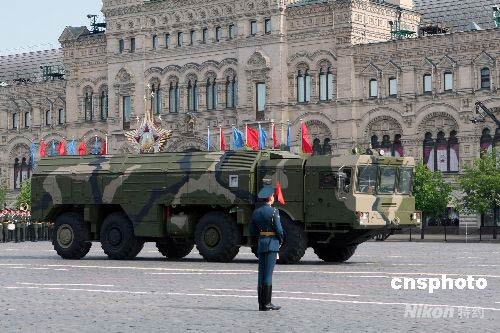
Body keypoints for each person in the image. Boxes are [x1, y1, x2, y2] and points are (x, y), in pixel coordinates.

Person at [251, 185, 284, 311]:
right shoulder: (274, 212)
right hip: (272, 243)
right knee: (268, 274)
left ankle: (261, 303)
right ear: (270, 198)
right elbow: (279, 230)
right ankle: (267, 303)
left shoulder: (256, 212)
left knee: (261, 274)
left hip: (261, 243)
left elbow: (252, 230)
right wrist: (280, 241)